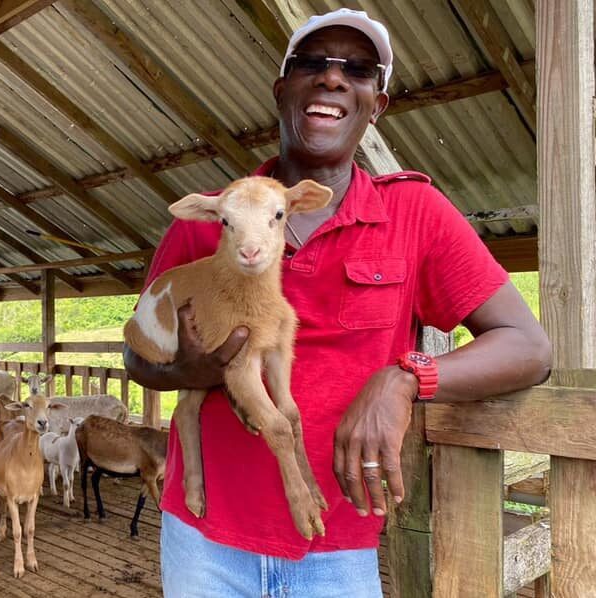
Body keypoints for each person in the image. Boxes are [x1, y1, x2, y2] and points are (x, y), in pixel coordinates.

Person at [123, 8, 552, 598]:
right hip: (204, 541)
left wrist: (405, 380)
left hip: (339, 549)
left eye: (357, 68)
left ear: (375, 105)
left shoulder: (415, 215)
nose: (332, 78)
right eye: (312, 64)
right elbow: (137, 355)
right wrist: (187, 369)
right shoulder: (212, 221)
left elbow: (528, 347)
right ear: (282, 91)